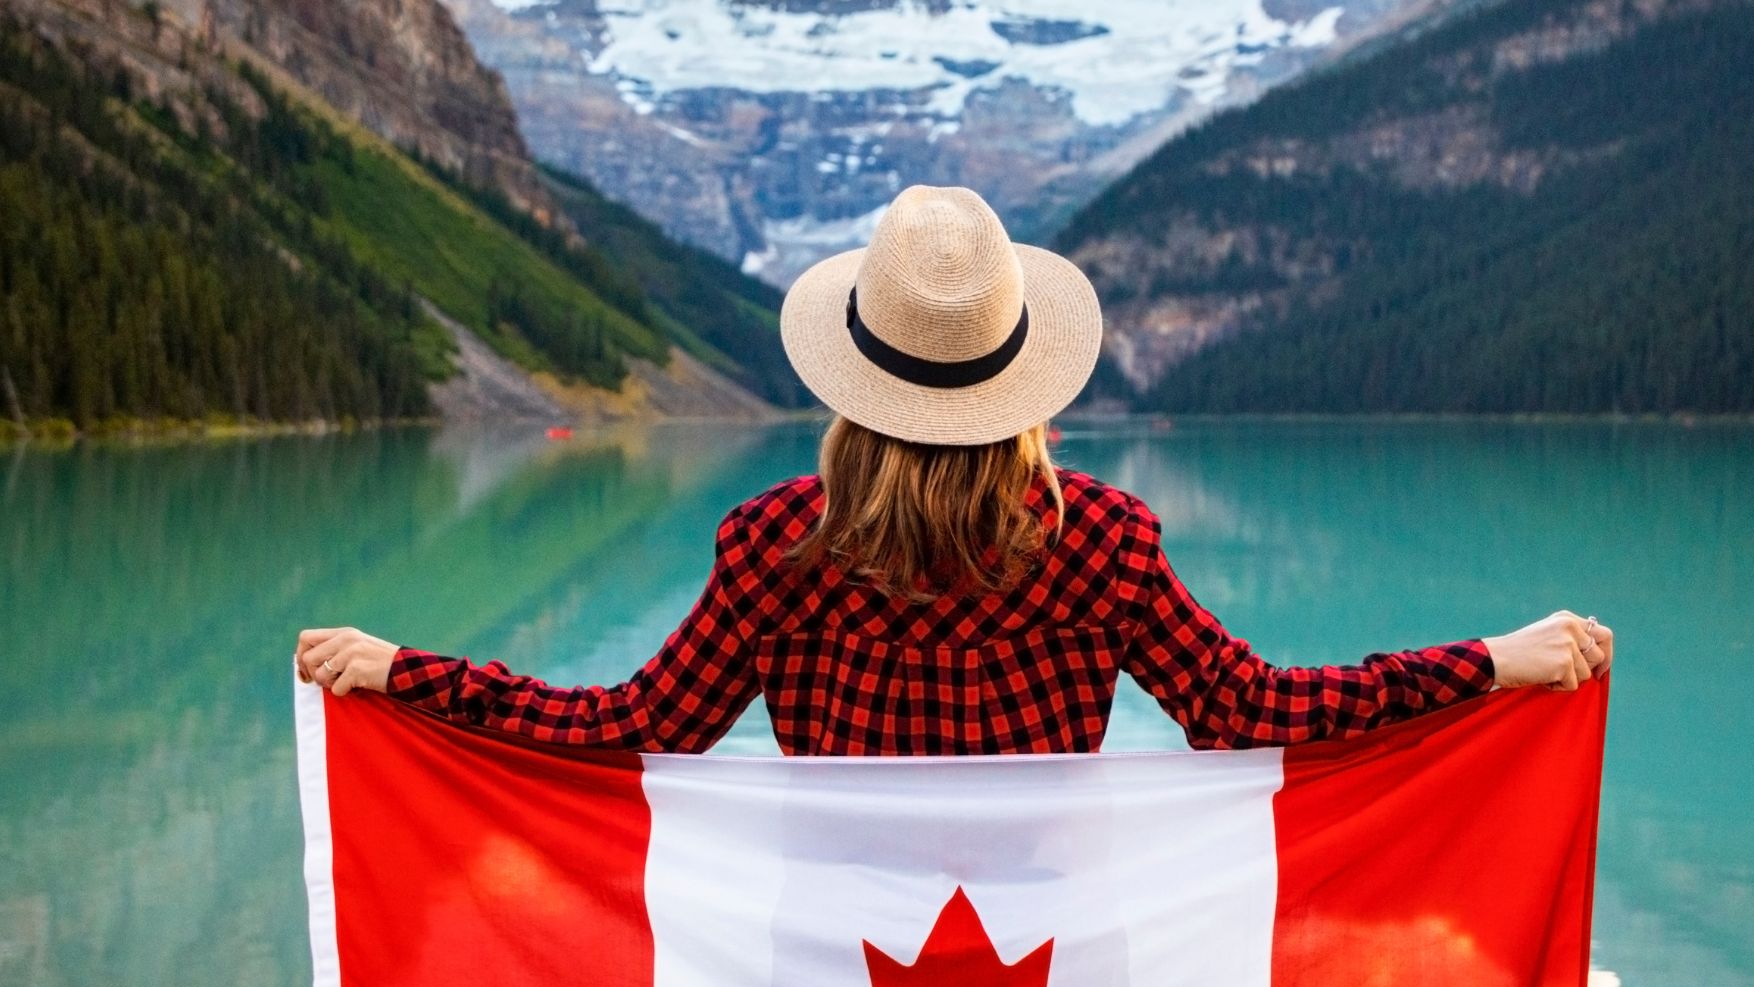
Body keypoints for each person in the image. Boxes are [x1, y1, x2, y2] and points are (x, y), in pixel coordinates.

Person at [295, 185, 1612, 756]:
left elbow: (629, 732)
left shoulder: (775, 549)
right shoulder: (1103, 541)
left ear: (851, 375)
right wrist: (1497, 661)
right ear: (1020, 380)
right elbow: (1251, 710)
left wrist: (411, 675)